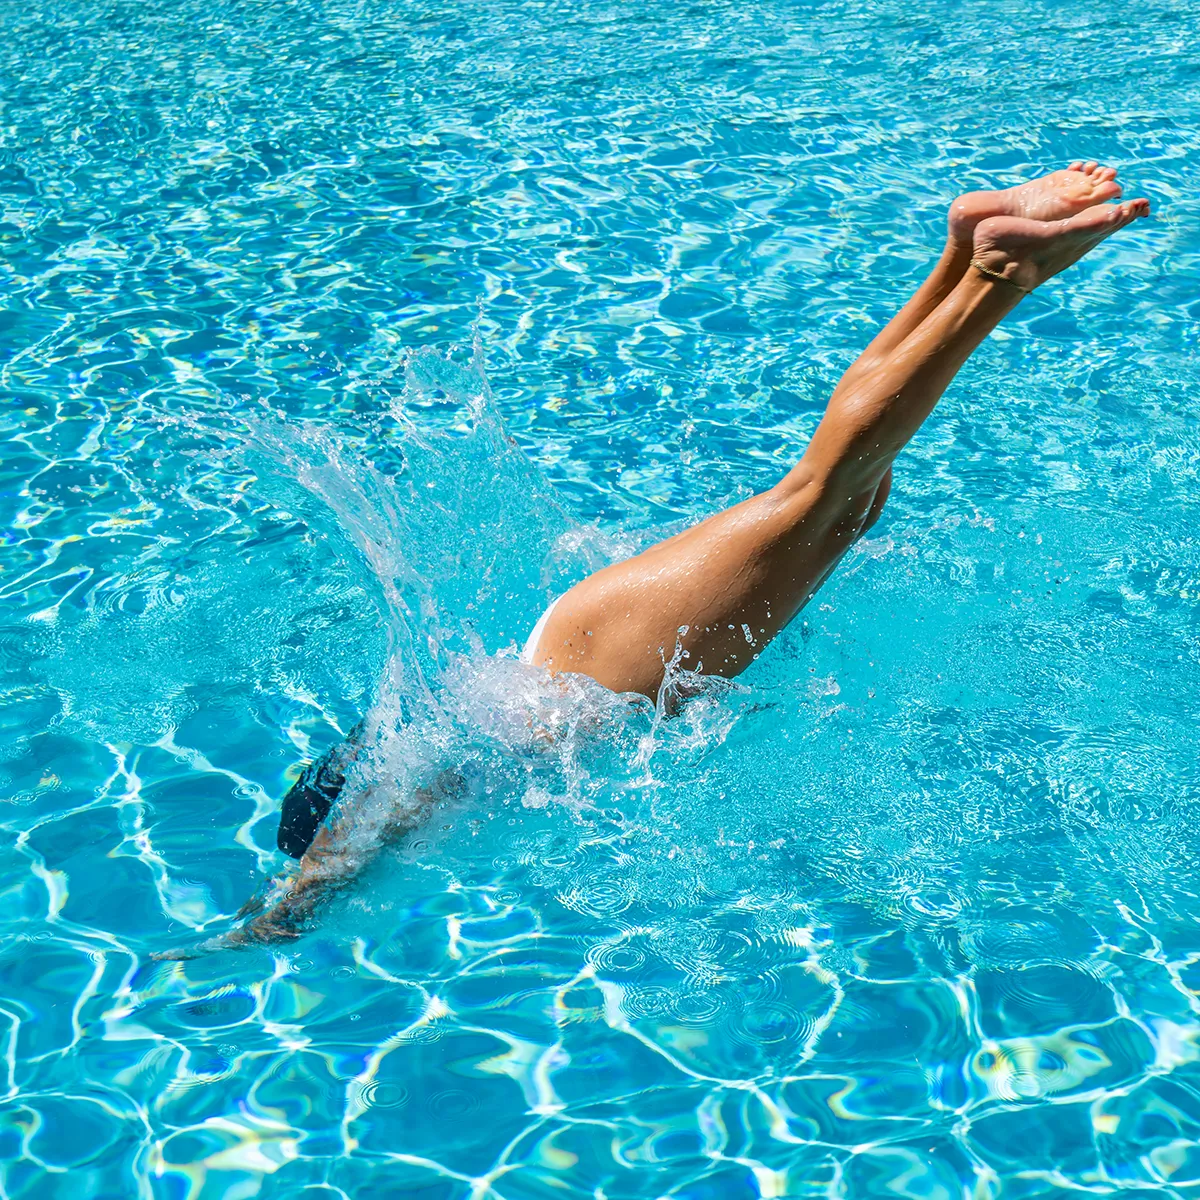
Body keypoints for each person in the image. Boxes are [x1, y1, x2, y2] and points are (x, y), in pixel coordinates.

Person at [159, 165, 1149, 956]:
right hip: (583, 644)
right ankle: (963, 254)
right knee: (841, 501)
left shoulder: (404, 787)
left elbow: (331, 867)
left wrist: (267, 922)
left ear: (344, 812)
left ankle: (994, 277)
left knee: (824, 491)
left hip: (602, 666)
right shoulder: (437, 743)